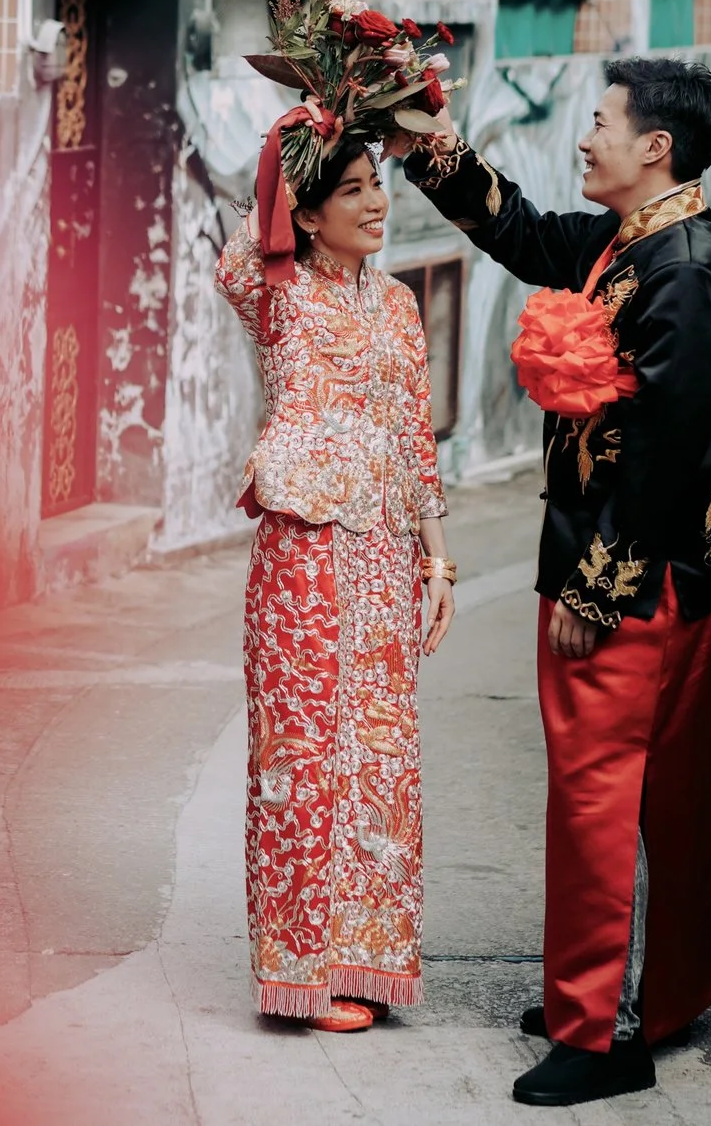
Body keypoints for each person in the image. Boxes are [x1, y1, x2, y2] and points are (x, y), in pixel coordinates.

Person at [392, 56, 711, 1106]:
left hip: (628, 582)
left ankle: (593, 1037)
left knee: (594, 800)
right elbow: (525, 233)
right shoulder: (634, 241)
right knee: (663, 797)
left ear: (656, 149)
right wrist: (425, 146)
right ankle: (670, 992)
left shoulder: (682, 270)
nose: (584, 138)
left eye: (600, 123)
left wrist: (595, 594)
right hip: (654, 577)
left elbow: (673, 454)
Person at [215, 140, 458, 1035]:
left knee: (380, 758)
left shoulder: (397, 306)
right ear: (308, 216)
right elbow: (238, 256)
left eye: (376, 185)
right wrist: (310, 122)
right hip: (301, 556)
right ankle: (300, 972)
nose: (374, 203)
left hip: (385, 559)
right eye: (349, 191)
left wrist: (436, 563)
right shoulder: (278, 294)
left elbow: (414, 441)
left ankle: (368, 959)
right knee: (305, 754)